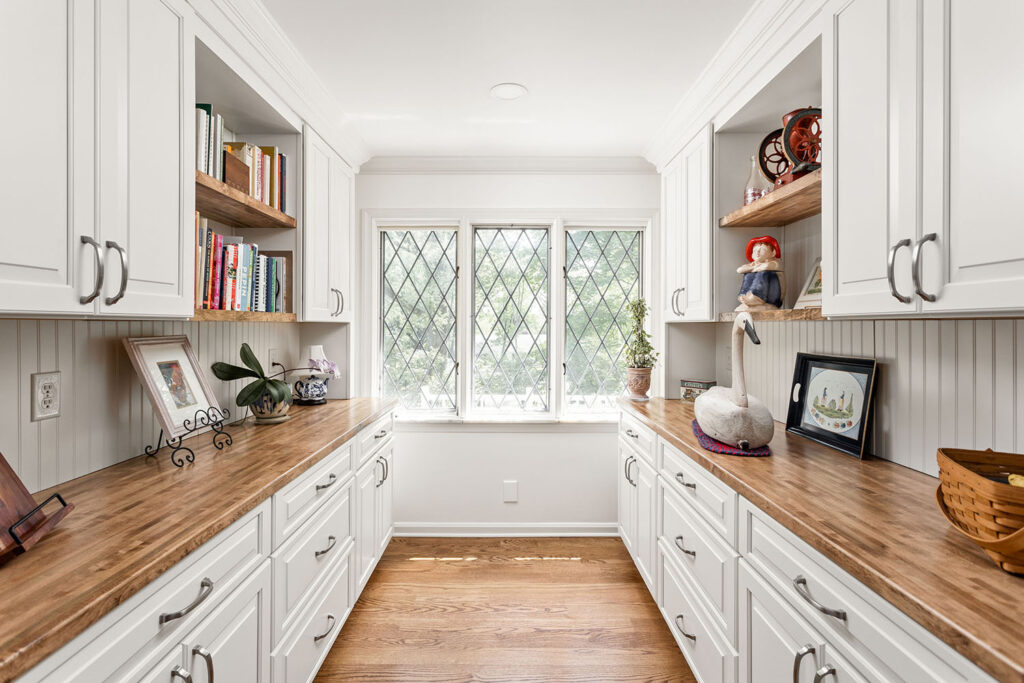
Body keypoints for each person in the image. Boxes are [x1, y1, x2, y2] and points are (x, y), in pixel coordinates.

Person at [736, 235, 784, 310]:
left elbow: (765, 267)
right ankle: (745, 296)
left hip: (772, 298)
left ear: (773, 253)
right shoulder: (754, 264)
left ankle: (756, 297)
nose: (757, 253)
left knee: (764, 273)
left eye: (762, 250)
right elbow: (740, 270)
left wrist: (753, 268)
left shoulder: (775, 262)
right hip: (757, 295)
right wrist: (754, 267)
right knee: (748, 275)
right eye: (755, 251)